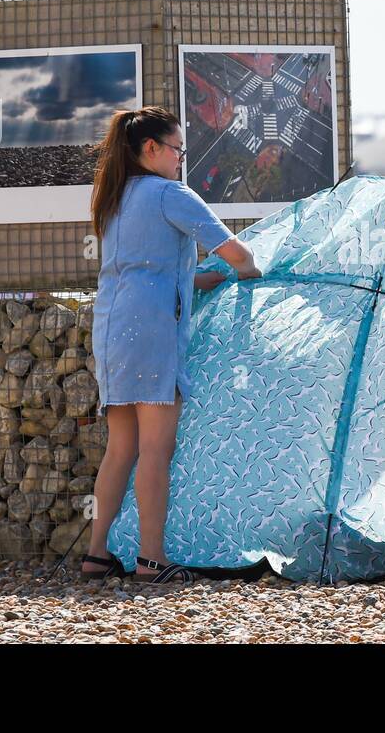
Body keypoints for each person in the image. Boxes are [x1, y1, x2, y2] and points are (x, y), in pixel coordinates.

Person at [81, 106, 261, 584]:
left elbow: (151, 269)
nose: (182, 158)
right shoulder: (170, 194)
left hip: (113, 330)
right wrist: (252, 276)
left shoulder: (115, 197)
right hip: (153, 332)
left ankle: (96, 554)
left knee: (120, 450)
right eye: (178, 149)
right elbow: (237, 253)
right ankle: (152, 560)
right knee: (157, 450)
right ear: (151, 149)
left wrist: (203, 281)